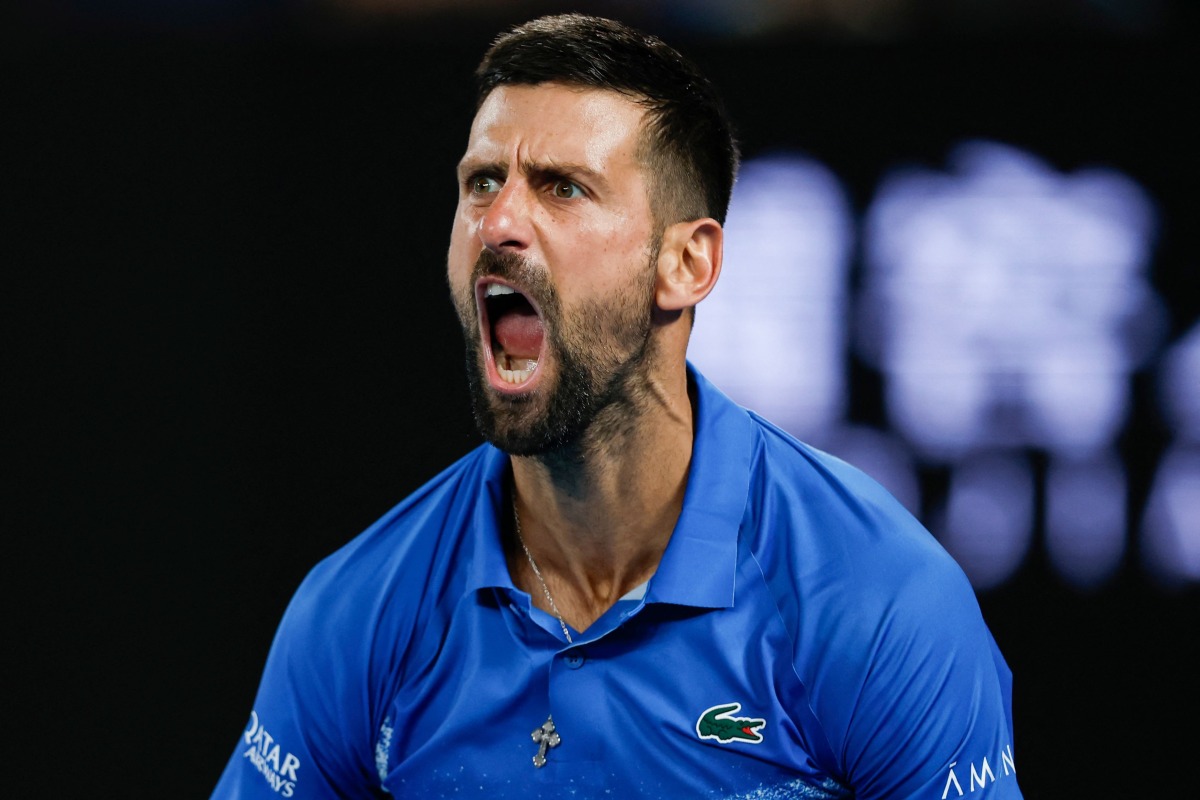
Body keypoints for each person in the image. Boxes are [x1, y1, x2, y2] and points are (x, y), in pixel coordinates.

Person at [213, 13, 1022, 799]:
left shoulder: (877, 602)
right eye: (482, 182)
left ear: (687, 263)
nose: (497, 223)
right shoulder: (360, 612)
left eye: (563, 189)